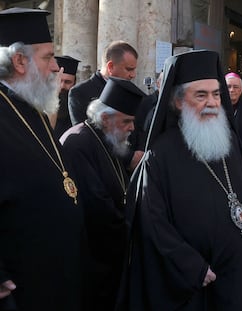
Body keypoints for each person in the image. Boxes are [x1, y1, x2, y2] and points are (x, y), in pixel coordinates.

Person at [122, 50, 242, 310]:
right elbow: (151, 223)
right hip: (194, 283)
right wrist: (191, 266)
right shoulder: (160, 156)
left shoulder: (232, 144)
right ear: (179, 101)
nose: (213, 102)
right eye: (201, 95)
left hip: (236, 276)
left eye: (216, 94)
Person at [0, 7, 84, 311]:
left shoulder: (31, 107)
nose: (55, 67)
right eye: (48, 57)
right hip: (21, 286)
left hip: (53, 276)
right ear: (19, 60)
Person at [60, 77, 144, 311]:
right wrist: (136, 230)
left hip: (109, 256)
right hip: (92, 261)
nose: (131, 128)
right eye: (127, 121)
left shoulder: (107, 139)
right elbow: (98, 209)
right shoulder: (78, 143)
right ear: (106, 118)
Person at [68, 40, 143, 171]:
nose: (133, 75)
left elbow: (138, 128)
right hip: (101, 168)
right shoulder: (80, 93)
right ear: (110, 66)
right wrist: (129, 157)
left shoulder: (130, 91)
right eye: (129, 69)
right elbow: (85, 136)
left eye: (134, 69)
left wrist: (139, 153)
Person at [50, 55, 80, 138]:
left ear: (74, 83)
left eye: (67, 82)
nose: (62, 86)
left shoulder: (78, 105)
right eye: (59, 81)